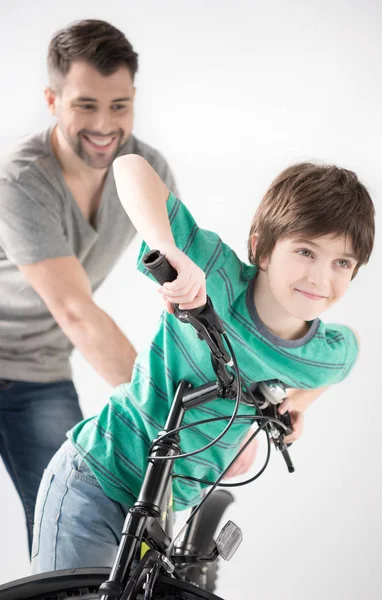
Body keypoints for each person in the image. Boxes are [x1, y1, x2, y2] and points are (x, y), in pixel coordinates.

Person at [31, 155, 375, 572]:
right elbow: (128, 167)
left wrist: (299, 405)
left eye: (342, 262)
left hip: (162, 514)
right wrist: (168, 247)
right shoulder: (212, 272)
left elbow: (349, 351)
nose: (321, 279)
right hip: (97, 473)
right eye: (305, 251)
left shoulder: (318, 354)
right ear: (260, 249)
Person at [0, 19, 180, 554]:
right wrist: (163, 413)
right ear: (52, 100)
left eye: (119, 105)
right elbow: (76, 310)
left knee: (71, 534)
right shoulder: (20, 180)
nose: (104, 124)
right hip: (45, 341)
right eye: (85, 105)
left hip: (37, 373)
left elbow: (184, 290)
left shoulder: (148, 173)